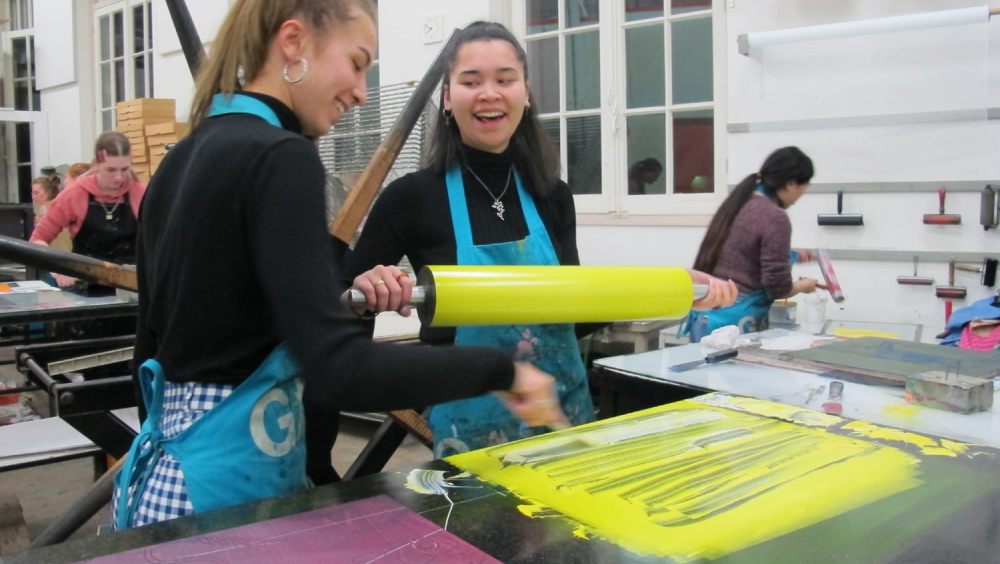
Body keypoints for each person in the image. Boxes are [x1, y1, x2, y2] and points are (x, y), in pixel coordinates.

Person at [114, 0, 567, 531]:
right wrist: (502, 370)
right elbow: (340, 371)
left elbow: (146, 353)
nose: (361, 91)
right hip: (229, 494)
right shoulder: (282, 157)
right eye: (356, 63)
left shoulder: (182, 156)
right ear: (293, 42)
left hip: (164, 488)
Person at [344, 21, 736, 459]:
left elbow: (572, 314)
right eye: (471, 81)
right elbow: (338, 316)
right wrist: (370, 288)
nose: (489, 93)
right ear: (448, 99)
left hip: (561, 424)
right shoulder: (413, 197)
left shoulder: (551, 195)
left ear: (525, 94)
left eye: (505, 80)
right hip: (469, 437)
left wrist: (672, 287)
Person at [684, 146, 818, 342]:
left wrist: (789, 254)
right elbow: (778, 288)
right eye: (803, 188)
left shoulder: (738, 202)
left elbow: (741, 250)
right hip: (734, 323)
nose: (800, 197)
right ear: (790, 184)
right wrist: (804, 286)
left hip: (706, 315)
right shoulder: (775, 217)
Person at [29, 132, 146, 288]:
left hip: (133, 288)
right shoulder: (74, 195)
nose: (118, 177)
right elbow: (37, 240)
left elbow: (163, 240)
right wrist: (58, 268)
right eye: (111, 170)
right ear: (96, 165)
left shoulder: (141, 193)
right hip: (87, 285)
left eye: (124, 169)